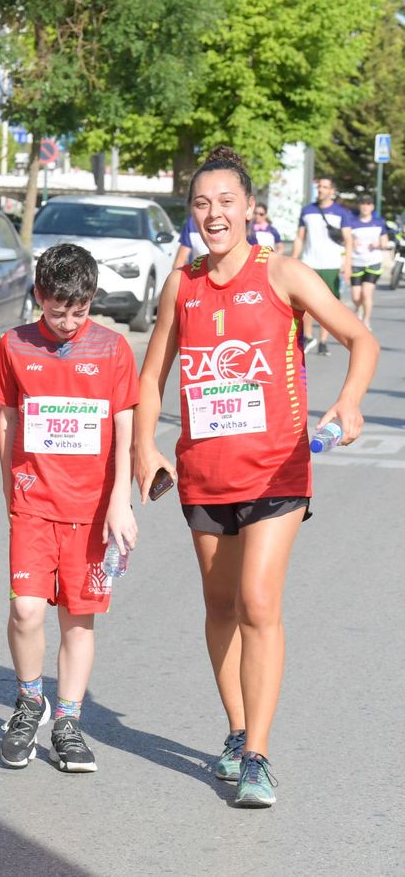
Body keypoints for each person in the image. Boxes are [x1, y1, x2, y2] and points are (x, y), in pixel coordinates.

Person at [134, 146, 376, 808]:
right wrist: (141, 448)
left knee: (259, 604)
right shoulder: (181, 286)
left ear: (248, 208)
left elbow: (362, 339)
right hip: (204, 473)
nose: (213, 214)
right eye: (201, 204)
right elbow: (151, 376)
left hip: (276, 468)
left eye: (225, 202)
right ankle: (239, 731)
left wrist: (349, 400)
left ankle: (260, 756)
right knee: (220, 607)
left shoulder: (284, 274)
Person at [0, 244, 138, 774]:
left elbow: (124, 426)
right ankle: (30, 702)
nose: (69, 321)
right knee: (25, 609)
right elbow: (6, 420)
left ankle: (67, 722)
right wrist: (10, 490)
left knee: (79, 620)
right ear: (38, 298)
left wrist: (121, 500)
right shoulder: (15, 345)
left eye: (80, 310)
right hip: (33, 503)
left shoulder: (113, 348)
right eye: (57, 310)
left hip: (92, 510)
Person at [290, 175, 357, 355]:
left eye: (325, 187)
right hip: (309, 263)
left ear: (332, 191)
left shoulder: (341, 212)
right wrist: (294, 258)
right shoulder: (307, 211)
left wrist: (348, 265)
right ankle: (309, 335)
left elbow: (348, 240)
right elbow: (299, 237)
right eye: (319, 187)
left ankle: (323, 340)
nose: (321, 190)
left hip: (331, 264)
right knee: (306, 303)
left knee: (328, 306)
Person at [347, 196, 388, 330]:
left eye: (368, 204)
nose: (365, 206)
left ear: (372, 207)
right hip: (356, 262)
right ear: (359, 206)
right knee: (355, 295)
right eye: (362, 203)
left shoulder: (379, 223)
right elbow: (345, 241)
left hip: (373, 262)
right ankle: (358, 309)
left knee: (366, 292)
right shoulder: (352, 223)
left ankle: (366, 321)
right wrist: (352, 243)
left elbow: (385, 242)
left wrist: (379, 244)